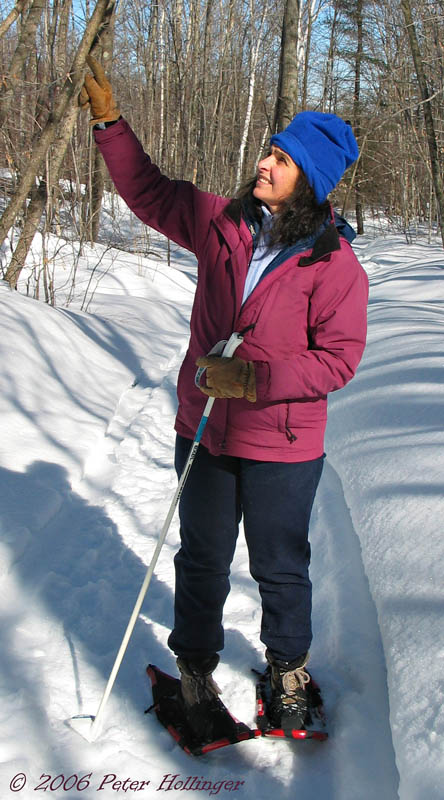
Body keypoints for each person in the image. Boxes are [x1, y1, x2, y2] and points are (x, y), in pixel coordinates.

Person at [80, 57, 369, 739]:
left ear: (309, 183)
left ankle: (287, 670)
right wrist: (109, 123)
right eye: (269, 150)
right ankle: (194, 668)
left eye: (281, 159)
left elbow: (340, 359)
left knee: (279, 562)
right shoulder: (220, 224)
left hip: (285, 442)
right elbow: (148, 192)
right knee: (201, 554)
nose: (263, 164)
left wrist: (258, 380)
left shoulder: (334, 265)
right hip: (205, 428)